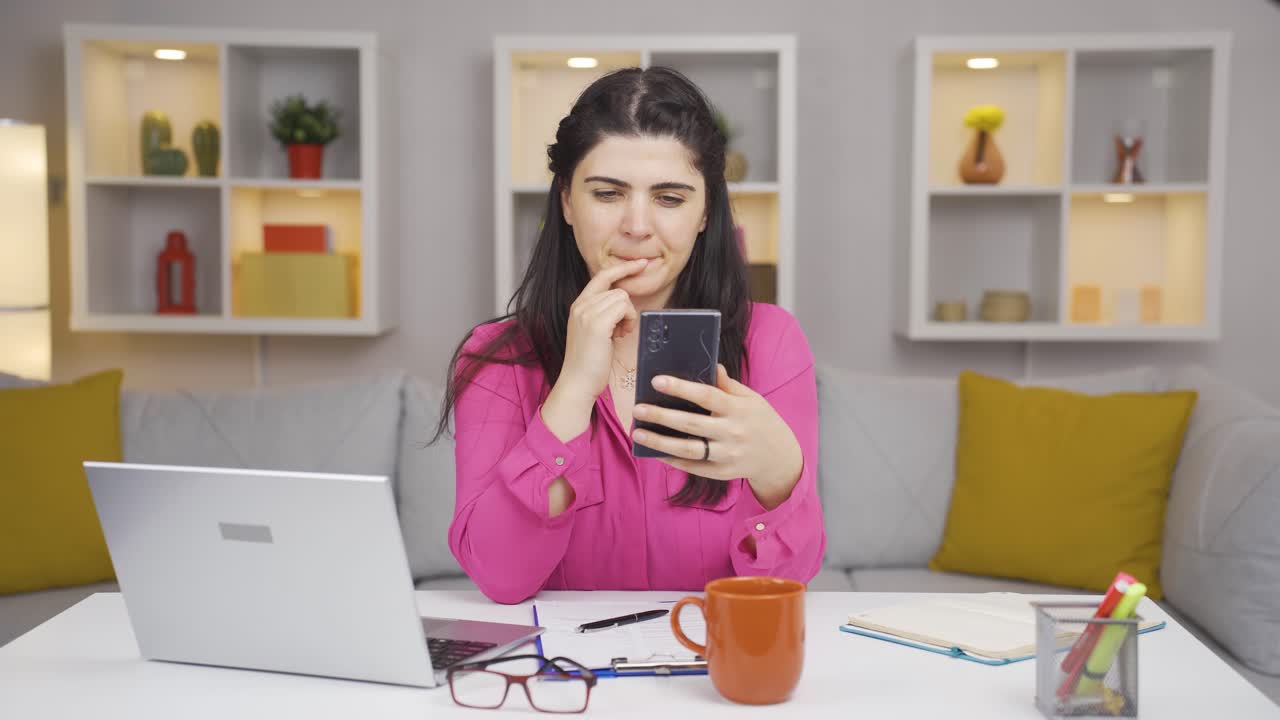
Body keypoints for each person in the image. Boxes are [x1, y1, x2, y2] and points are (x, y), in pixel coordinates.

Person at [434, 66, 824, 604]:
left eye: (669, 198)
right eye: (608, 193)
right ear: (567, 202)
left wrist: (781, 470)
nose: (637, 226)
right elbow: (501, 578)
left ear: (706, 210)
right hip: (567, 675)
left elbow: (790, 580)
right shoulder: (497, 360)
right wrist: (571, 390)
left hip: (706, 668)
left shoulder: (771, 340)